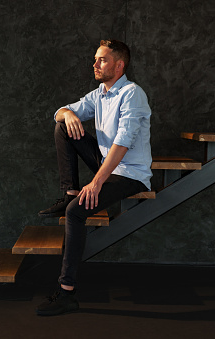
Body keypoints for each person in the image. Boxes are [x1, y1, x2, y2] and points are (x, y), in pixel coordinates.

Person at [36, 39, 152, 316]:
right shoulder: (99, 94)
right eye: (95, 59)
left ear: (119, 64)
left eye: (101, 60)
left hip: (130, 172)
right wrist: (67, 114)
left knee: (76, 214)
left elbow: (122, 144)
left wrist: (97, 181)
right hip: (106, 163)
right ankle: (69, 193)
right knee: (63, 127)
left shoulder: (132, 93)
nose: (95, 64)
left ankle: (66, 293)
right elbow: (61, 111)